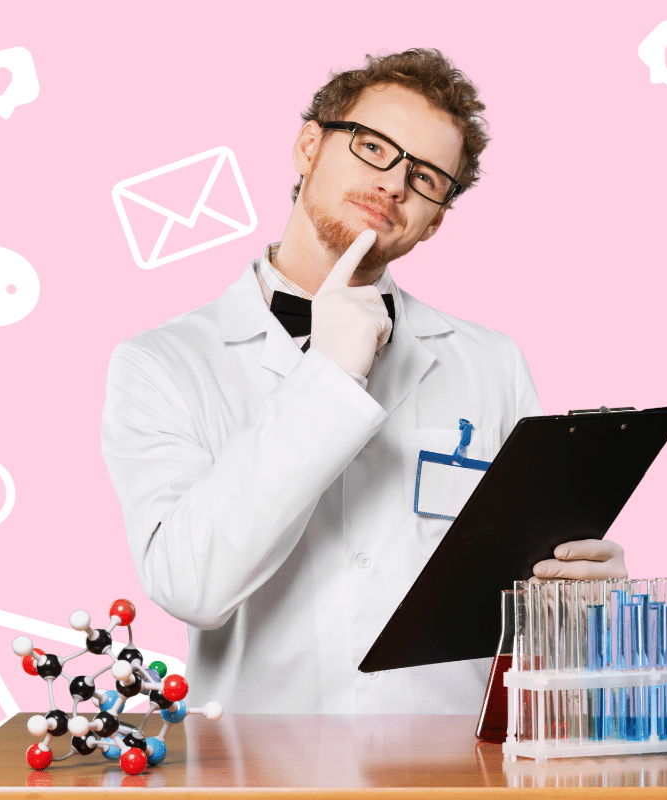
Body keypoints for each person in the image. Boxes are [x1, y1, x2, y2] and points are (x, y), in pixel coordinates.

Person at [100, 50, 626, 714]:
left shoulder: (491, 363)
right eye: (374, 146)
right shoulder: (163, 363)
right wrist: (329, 377)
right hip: (260, 775)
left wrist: (575, 603)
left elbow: (518, 620)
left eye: (426, 176)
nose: (393, 183)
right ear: (309, 145)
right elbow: (191, 587)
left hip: (455, 775)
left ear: (435, 219)